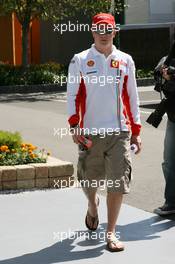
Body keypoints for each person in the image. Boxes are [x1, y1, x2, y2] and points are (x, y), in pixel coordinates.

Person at [67, 13, 141, 252]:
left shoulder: (125, 60)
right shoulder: (79, 59)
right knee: (89, 181)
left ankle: (111, 233)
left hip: (119, 132)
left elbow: (132, 96)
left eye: (107, 29)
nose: (103, 33)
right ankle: (92, 205)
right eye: (99, 29)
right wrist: (74, 124)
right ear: (92, 31)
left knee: (117, 183)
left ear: (114, 31)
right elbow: (72, 95)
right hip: (90, 133)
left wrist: (136, 130)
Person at [154, 44, 175, 216]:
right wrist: (164, 73)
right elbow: (158, 77)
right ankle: (171, 202)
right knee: (169, 162)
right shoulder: (170, 57)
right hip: (173, 117)